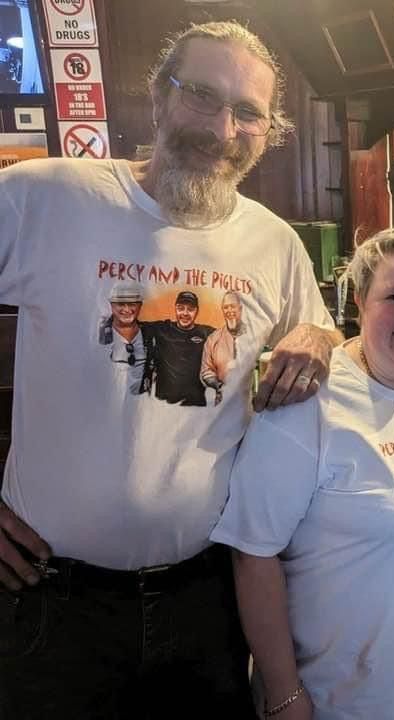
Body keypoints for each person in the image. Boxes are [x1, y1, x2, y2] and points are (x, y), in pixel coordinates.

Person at [0, 21, 342, 720]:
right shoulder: (44, 196)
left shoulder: (274, 243)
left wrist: (322, 333)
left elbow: (324, 340)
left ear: (267, 131)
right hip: (50, 602)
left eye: (247, 112)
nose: (222, 129)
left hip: (205, 605)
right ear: (157, 97)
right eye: (202, 97)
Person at [211, 228, 394, 720]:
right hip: (350, 701)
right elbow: (253, 552)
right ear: (360, 302)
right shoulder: (308, 402)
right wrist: (283, 691)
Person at [141, 290, 215, 406]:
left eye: (190, 309)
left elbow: (230, 337)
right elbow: (133, 325)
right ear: (175, 308)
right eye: (181, 308)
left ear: (197, 311)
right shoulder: (163, 329)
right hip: (163, 406)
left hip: (196, 406)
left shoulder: (207, 333)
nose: (185, 313)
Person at [100, 281, 149, 393]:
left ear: (140, 305)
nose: (127, 310)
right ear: (112, 306)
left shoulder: (151, 334)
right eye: (121, 304)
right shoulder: (102, 336)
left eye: (132, 304)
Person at [200, 291, 247, 404]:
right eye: (226, 307)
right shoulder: (213, 339)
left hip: (251, 406)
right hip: (222, 404)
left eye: (232, 306)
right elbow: (206, 371)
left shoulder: (255, 334)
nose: (229, 311)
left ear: (240, 309)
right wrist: (218, 385)